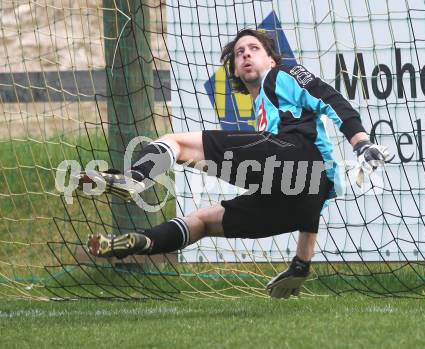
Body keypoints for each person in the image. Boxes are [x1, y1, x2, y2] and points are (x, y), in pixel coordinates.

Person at [78, 29, 389, 299]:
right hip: (302, 197)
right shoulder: (264, 108)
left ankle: (134, 179)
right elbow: (313, 196)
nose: (246, 55)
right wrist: (301, 262)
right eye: (239, 53)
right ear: (236, 72)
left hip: (299, 160)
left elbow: (329, 98)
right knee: (203, 221)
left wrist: (360, 142)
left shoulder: (284, 75)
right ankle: (137, 242)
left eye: (254, 49)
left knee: (175, 143)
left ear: (272, 60)